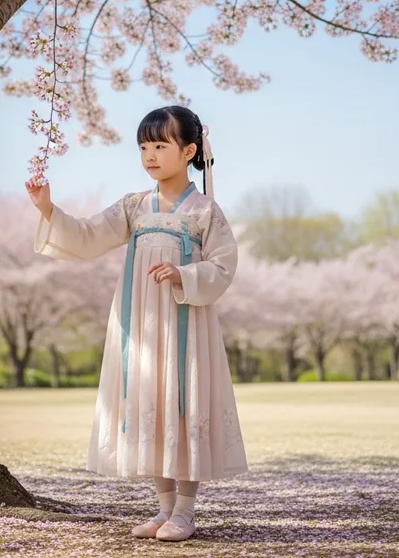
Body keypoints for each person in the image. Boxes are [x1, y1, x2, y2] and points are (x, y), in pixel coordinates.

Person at [25, 105, 247, 542]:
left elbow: (224, 265)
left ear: (189, 151)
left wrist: (184, 274)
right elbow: (88, 236)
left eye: (160, 146)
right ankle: (164, 509)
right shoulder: (133, 206)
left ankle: (185, 510)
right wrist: (49, 209)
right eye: (144, 146)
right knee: (151, 403)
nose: (149, 155)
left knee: (184, 404)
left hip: (186, 323)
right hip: (140, 323)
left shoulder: (205, 211)